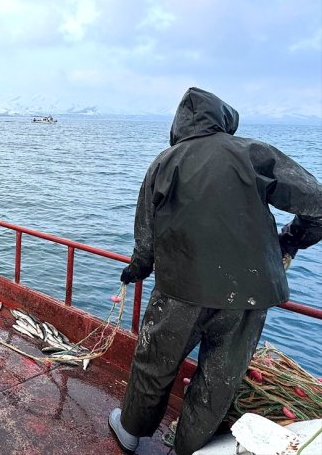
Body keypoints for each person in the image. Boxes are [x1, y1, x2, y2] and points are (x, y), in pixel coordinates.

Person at [108, 87, 322, 454]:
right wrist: (290, 241)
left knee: (155, 363)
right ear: (224, 121)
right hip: (249, 295)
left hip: (180, 291)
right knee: (218, 379)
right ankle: (187, 448)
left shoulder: (164, 162)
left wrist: (138, 269)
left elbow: (146, 234)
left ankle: (130, 432)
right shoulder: (255, 153)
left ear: (179, 124)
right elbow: (316, 205)